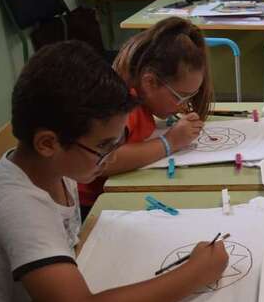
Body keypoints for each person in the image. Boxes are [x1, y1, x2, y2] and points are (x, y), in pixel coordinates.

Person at [0, 42, 228, 302]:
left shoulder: (58, 169)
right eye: (104, 146)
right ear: (48, 143)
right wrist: (196, 273)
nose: (111, 156)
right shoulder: (18, 206)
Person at [78, 17, 214, 215]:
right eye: (180, 96)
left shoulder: (140, 98)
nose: (184, 105)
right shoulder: (123, 105)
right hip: (91, 204)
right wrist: (170, 142)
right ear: (150, 83)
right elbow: (108, 160)